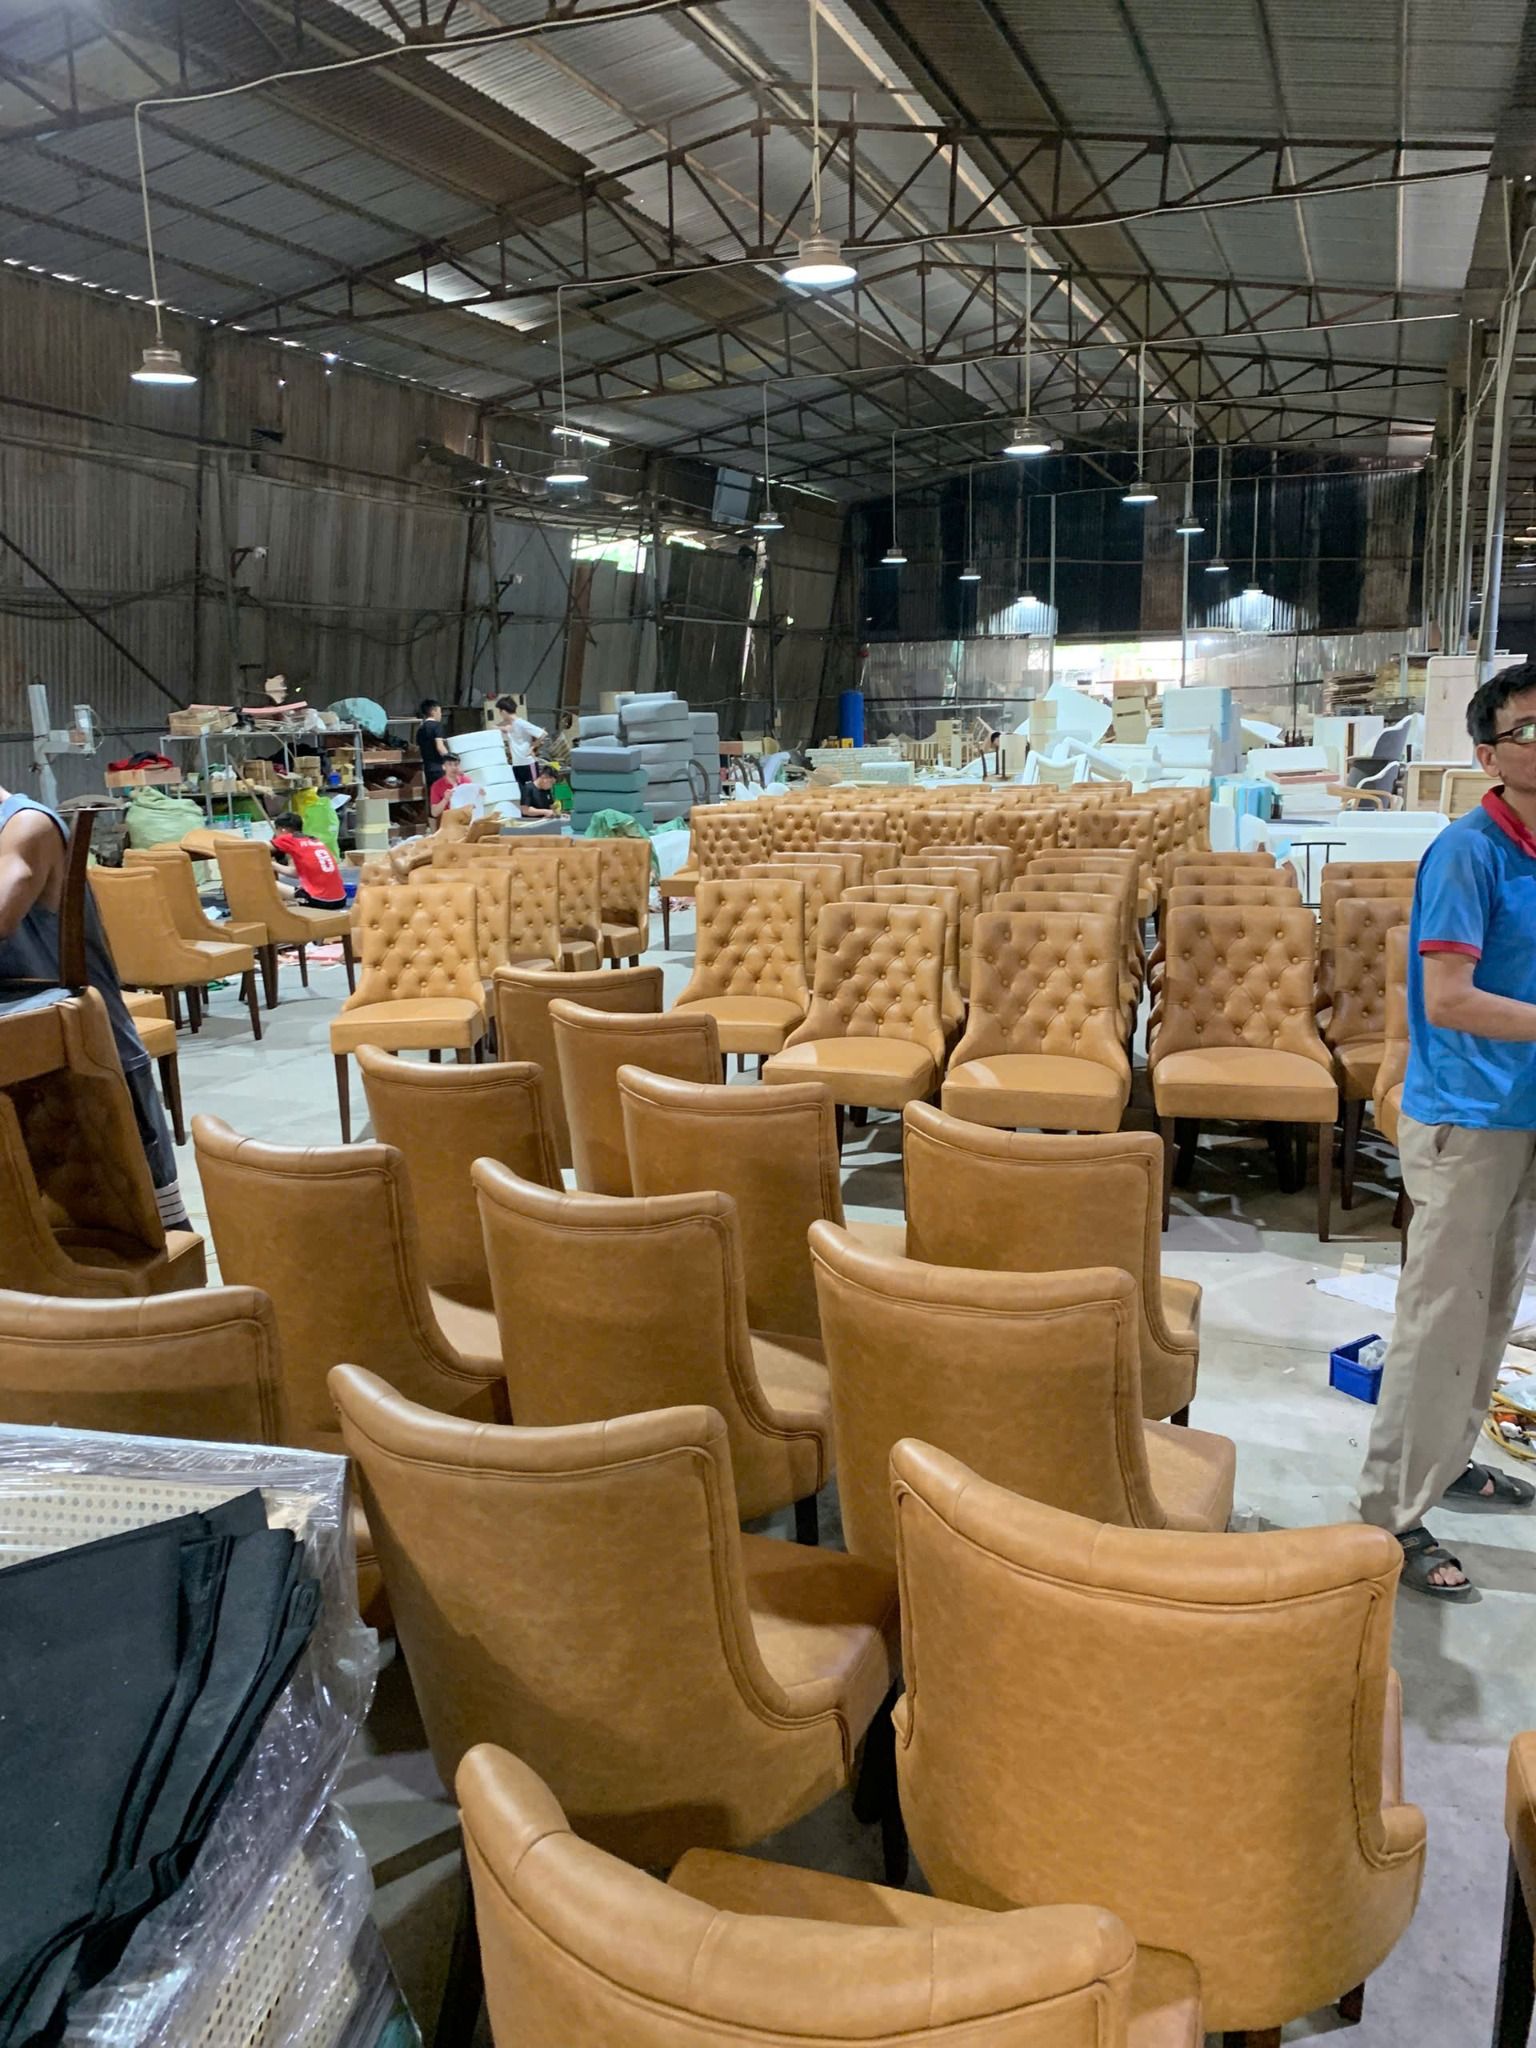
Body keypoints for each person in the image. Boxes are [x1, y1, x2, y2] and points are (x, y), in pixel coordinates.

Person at [1356, 661, 1536, 1597]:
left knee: (1494, 1305)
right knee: (1439, 1318)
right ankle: (1392, 1513)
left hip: (1524, 1109)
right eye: (1528, 731)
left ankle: (1449, 1461)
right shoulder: (1468, 853)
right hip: (1467, 1117)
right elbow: (1449, 998)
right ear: (1489, 756)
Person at [0, 787, 190, 1229]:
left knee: (148, 1228)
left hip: (87, 1061)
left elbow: (5, 908)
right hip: (21, 1063)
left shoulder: (26, 825)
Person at [270, 810, 346, 907]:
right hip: (340, 900)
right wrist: (272, 865)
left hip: (320, 900)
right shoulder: (314, 840)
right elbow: (297, 873)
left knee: (267, 884)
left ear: (282, 830)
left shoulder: (288, 838)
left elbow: (259, 847)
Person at [492, 695, 547, 795]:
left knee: (533, 792)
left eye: (500, 711)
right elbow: (507, 729)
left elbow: (542, 734)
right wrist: (497, 727)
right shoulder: (511, 724)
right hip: (517, 764)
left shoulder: (521, 723)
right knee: (522, 794)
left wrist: (532, 747)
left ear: (503, 711)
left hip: (527, 763)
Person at [416, 698, 455, 794]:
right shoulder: (437, 726)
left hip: (428, 770)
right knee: (447, 797)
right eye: (440, 711)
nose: (440, 714)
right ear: (433, 711)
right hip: (440, 769)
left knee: (435, 797)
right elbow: (440, 747)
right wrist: (452, 761)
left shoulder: (420, 729)